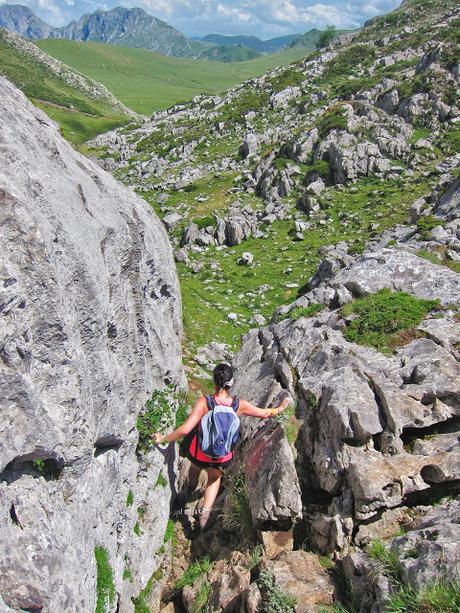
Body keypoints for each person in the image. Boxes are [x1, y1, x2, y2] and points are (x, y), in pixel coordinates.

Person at [152, 363, 292, 529]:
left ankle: (188, 492)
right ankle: (203, 518)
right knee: (213, 479)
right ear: (231, 383)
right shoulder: (238, 405)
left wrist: (163, 439)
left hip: (200, 453)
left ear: (214, 381)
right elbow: (265, 413)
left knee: (195, 469)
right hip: (222, 457)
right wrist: (282, 407)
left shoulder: (205, 402)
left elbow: (185, 430)